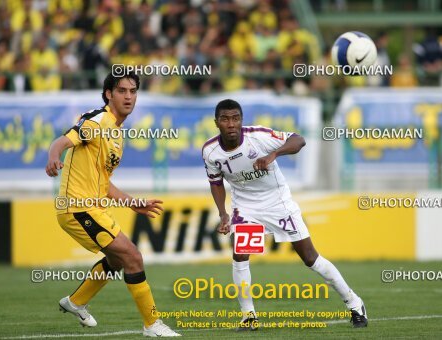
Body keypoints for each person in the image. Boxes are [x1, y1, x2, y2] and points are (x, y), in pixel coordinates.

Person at [202, 99, 368, 330]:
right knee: (240, 255)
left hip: (278, 202)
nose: (231, 124)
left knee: (311, 259)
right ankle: (248, 316)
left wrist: (274, 155)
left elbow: (299, 140)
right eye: (225, 119)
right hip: (246, 208)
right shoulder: (210, 152)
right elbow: (216, 182)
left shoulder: (259, 136)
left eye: (235, 118)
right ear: (216, 122)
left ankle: (354, 303)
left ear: (241, 120)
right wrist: (223, 213)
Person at [45, 72, 180, 337]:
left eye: (133, 91)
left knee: (117, 260)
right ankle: (152, 324)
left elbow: (104, 184)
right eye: (122, 91)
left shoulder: (116, 134)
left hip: (93, 207)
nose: (128, 96)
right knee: (132, 256)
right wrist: (53, 156)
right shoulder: (97, 121)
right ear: (109, 94)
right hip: (77, 207)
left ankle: (76, 302)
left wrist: (133, 203)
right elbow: (62, 141)